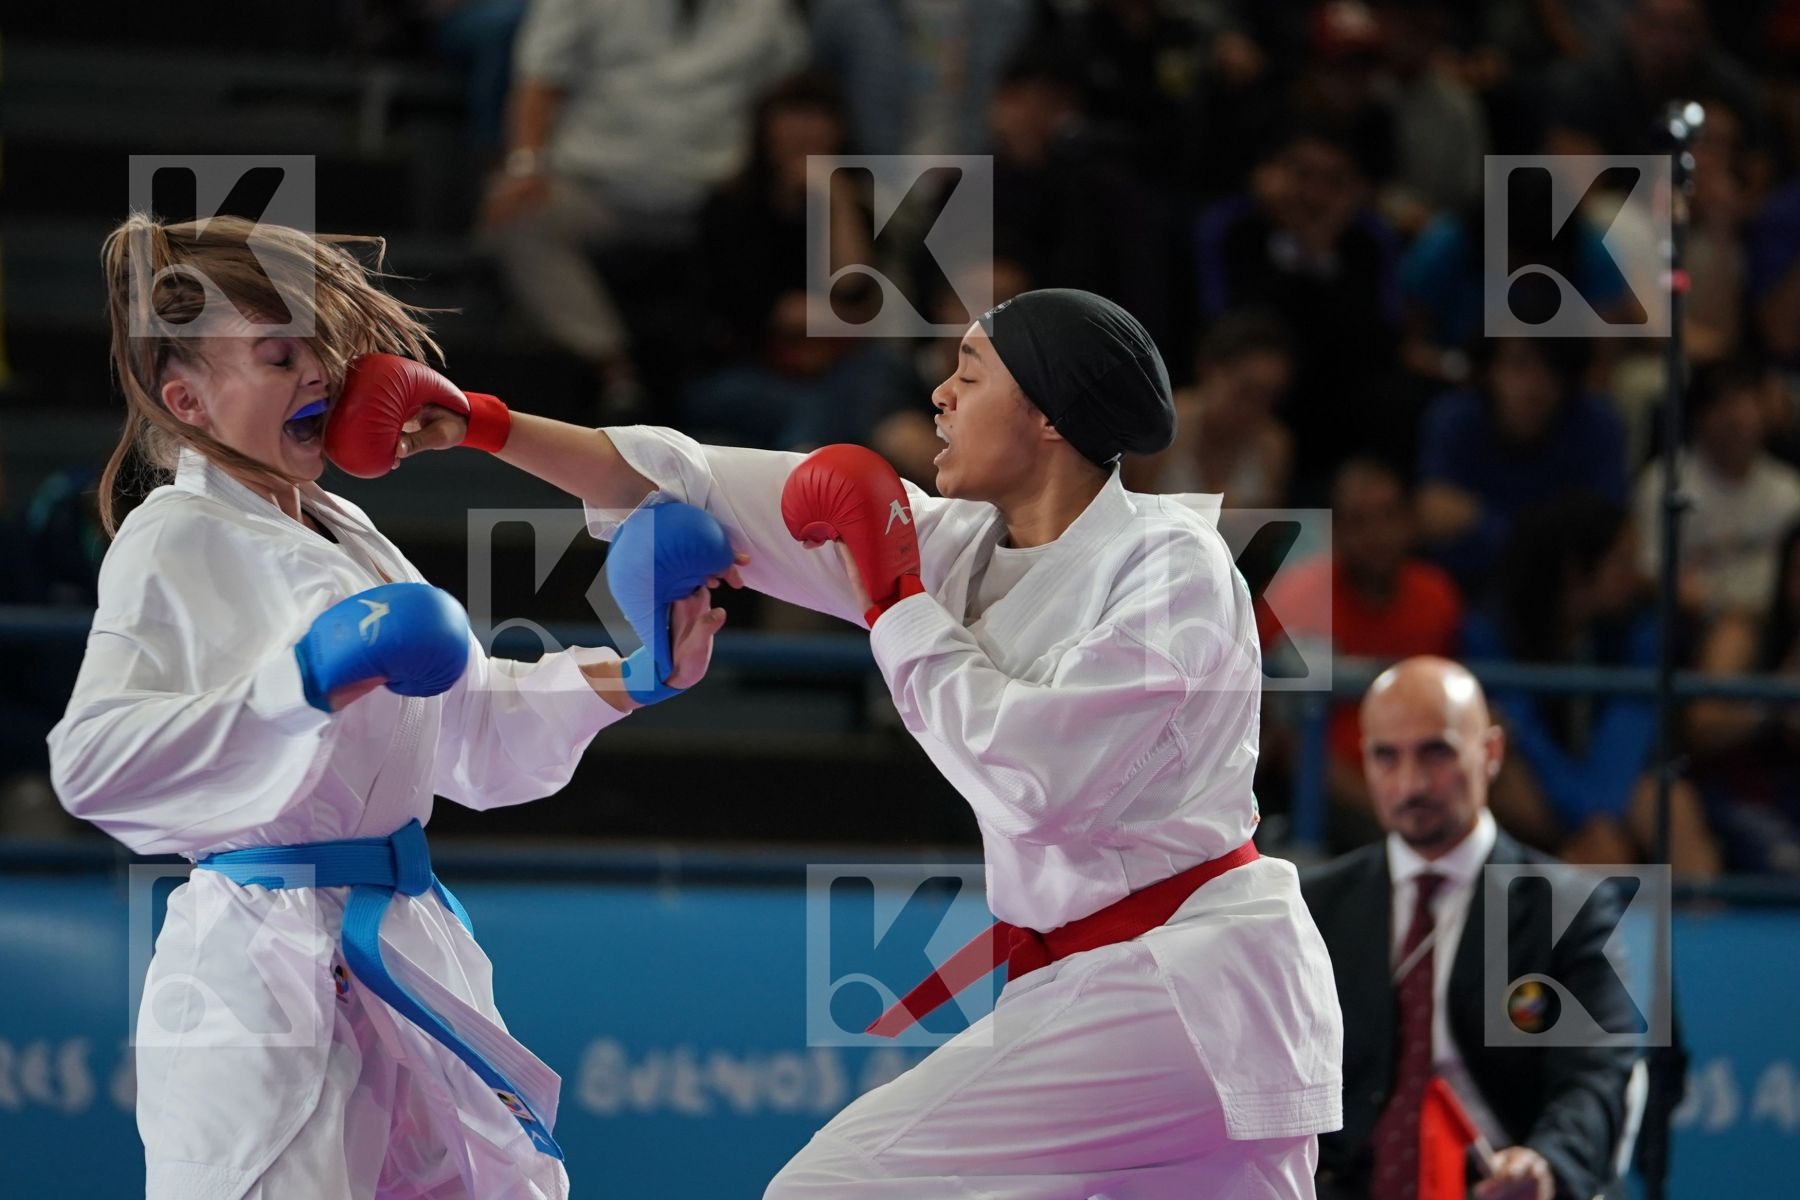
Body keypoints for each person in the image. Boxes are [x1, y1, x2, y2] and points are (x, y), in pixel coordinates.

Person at [346, 287, 1345, 1197]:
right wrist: (480, 424)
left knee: (831, 1190)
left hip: (1179, 982)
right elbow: (691, 482)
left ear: (1046, 415)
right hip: (1128, 991)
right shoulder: (956, 544)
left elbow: (1041, 776)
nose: (942, 397)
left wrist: (896, 602)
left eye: (970, 373)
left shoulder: (1171, 566)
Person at [47, 214, 733, 1200]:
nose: (317, 373)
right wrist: (304, 680)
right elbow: (93, 762)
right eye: (277, 356)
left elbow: (461, 721)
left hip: (402, 943)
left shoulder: (347, 530)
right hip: (261, 960)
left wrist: (632, 676)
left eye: (319, 349)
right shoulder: (174, 536)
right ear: (186, 398)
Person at [1302, 656, 1639, 1200]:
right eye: (1386, 757)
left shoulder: (1568, 909)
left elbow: (1594, 1080)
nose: (1410, 783)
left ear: (1491, 753)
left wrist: (1544, 1165)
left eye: (1435, 752)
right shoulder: (1318, 906)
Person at [1463, 493, 1720, 877]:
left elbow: (1626, 739)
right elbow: (1524, 735)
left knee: (1671, 803)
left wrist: (1597, 819)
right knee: (1501, 772)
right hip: (1538, 794)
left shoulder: (1641, 630)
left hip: (1609, 795)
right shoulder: (1493, 632)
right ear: (1575, 572)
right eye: (1622, 561)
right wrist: (1587, 820)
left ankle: (1706, 930)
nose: (1636, 576)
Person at [1259, 459, 1463, 843]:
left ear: (1411, 520)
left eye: (1389, 515)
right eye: (1360, 521)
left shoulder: (1437, 597)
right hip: (1322, 791)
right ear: (1336, 530)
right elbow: (1282, 738)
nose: (1378, 535)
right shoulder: (1294, 599)